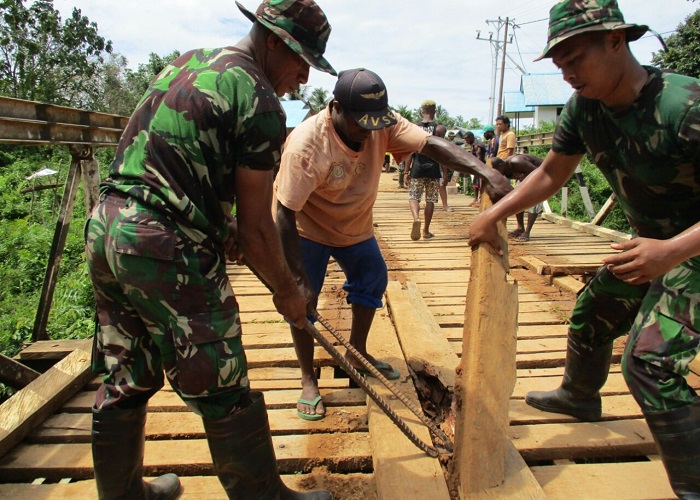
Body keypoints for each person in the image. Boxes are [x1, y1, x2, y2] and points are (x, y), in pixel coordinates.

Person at [84, 1, 337, 498]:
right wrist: (288, 291)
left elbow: (172, 162)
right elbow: (260, 228)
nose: (304, 78)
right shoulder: (261, 101)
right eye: (301, 60)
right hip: (164, 245)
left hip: (108, 228)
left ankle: (125, 494)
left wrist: (219, 227)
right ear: (272, 41)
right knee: (222, 381)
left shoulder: (188, 62)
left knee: (126, 373)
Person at [467, 1, 700, 497]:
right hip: (651, 248)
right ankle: (579, 397)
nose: (568, 74)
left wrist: (672, 251)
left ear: (615, 40)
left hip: (693, 251)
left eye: (576, 60)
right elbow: (553, 172)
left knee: (649, 364)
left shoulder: (683, 106)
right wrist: (494, 213)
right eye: (560, 66)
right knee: (594, 306)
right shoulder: (584, 109)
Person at [275, 68, 512, 420]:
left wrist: (485, 172)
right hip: (306, 228)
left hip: (355, 225)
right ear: (336, 108)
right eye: (360, 124)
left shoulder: (379, 120)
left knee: (373, 278)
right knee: (302, 301)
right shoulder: (307, 145)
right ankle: (309, 379)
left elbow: (432, 145)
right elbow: (283, 213)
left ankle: (356, 353)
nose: (370, 132)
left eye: (375, 124)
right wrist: (294, 279)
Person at [406, 100, 444, 240]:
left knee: (414, 196)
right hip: (433, 168)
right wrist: (444, 172)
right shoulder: (439, 129)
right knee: (430, 200)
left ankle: (416, 218)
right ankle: (426, 231)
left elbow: (410, 151)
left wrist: (406, 171)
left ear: (422, 111)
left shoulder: (414, 128)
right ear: (434, 110)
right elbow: (442, 151)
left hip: (417, 167)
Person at [491, 153, 545, 242]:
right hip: (527, 178)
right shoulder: (506, 167)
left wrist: (523, 178)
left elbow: (538, 173)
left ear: (501, 165)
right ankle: (520, 228)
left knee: (535, 204)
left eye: (497, 171)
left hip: (540, 177)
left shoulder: (516, 161)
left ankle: (527, 232)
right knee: (518, 200)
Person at [464, 131, 487, 206]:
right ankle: (476, 199)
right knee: (476, 184)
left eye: (467, 139)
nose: (466, 141)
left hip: (480, 167)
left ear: (471, 137)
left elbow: (479, 158)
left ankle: (480, 200)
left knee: (480, 184)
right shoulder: (474, 145)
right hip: (476, 167)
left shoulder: (477, 145)